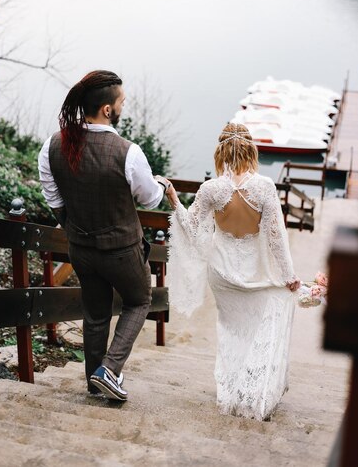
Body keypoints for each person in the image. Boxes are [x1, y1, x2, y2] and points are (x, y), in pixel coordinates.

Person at [38, 70, 169, 401]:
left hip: (81, 249)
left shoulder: (52, 145)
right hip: (123, 251)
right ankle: (109, 371)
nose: (124, 105)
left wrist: (75, 229)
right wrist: (160, 184)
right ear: (108, 109)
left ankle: (94, 382)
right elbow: (150, 199)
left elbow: (54, 200)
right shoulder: (128, 152)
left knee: (95, 314)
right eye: (122, 101)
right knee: (140, 300)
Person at [165, 123, 300, 421]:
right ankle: (252, 393)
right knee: (257, 331)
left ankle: (230, 392)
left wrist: (174, 198)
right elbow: (277, 238)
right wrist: (289, 276)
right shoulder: (264, 187)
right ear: (251, 150)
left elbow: (190, 227)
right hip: (256, 275)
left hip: (222, 274)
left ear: (220, 152)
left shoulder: (211, 189)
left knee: (230, 333)